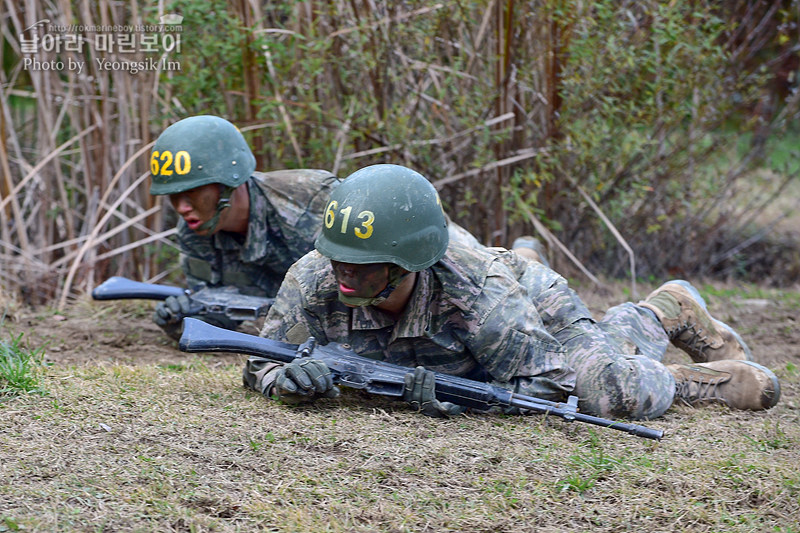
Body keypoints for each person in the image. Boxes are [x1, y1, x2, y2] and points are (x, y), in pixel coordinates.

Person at [243, 163, 781, 421]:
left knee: (612, 394)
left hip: (530, 302)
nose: (345, 273)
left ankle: (664, 313)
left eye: (364, 263)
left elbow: (549, 387)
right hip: (492, 291)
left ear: (409, 263)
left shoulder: (481, 299)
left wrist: (461, 398)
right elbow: (261, 358)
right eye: (339, 258)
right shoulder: (314, 274)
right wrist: (282, 380)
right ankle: (524, 254)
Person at [148, 116, 484, 340]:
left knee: (488, 274)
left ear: (227, 182)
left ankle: (525, 252)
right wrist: (190, 319)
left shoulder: (310, 202)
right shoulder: (194, 233)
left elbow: (384, 265)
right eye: (174, 197)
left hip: (413, 243)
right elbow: (228, 309)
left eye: (192, 192)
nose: (182, 208)